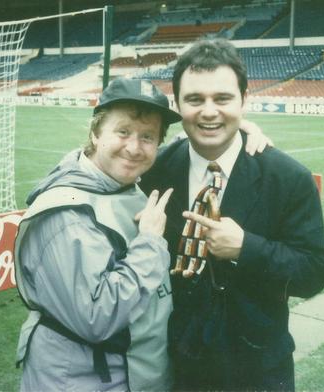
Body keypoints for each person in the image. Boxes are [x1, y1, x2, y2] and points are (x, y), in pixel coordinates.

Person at [14, 77, 269, 392]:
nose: (134, 148)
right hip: (81, 380)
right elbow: (96, 318)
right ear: (95, 133)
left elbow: (187, 146)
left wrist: (235, 133)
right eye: (122, 132)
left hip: (130, 373)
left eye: (148, 137)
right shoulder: (65, 215)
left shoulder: (124, 181)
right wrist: (149, 242)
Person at [139, 39, 324, 391]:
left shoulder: (288, 178)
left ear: (244, 100)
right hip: (178, 368)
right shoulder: (155, 171)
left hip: (257, 371)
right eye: (195, 99)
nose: (208, 111)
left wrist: (247, 248)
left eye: (222, 98)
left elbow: (314, 273)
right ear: (178, 105)